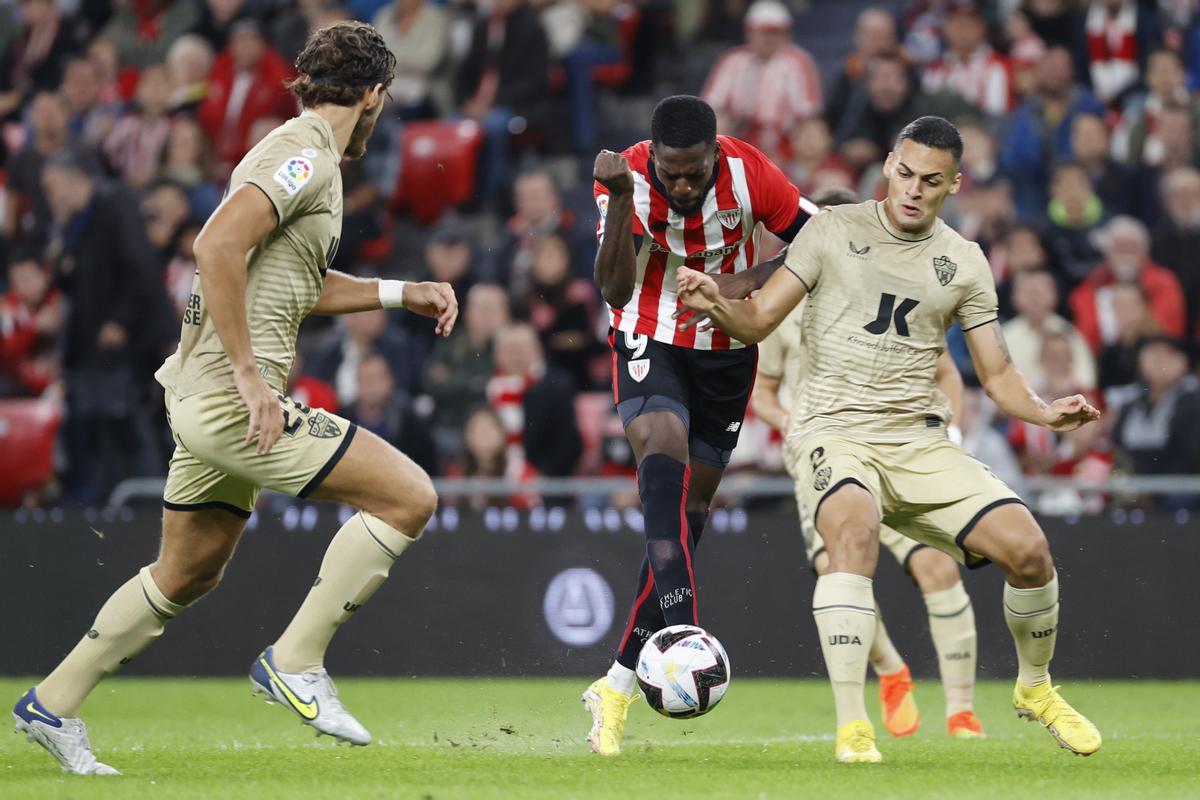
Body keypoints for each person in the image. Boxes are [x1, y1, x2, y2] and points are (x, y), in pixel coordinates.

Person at [13, 22, 459, 775]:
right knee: (408, 497)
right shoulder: (303, 154)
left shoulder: (301, 153)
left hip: (201, 393)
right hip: (231, 397)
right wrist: (253, 380)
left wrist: (397, 292)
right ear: (376, 93)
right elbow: (215, 245)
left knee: (188, 570)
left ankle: (52, 704)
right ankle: (297, 659)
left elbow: (289, 279)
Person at [678, 116, 1102, 763]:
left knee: (1030, 552)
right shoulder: (829, 230)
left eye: (930, 181)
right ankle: (854, 727)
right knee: (851, 537)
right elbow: (758, 319)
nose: (912, 189)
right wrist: (715, 303)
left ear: (954, 185)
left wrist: (1045, 414)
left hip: (918, 441)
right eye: (904, 173)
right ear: (887, 165)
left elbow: (995, 374)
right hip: (832, 431)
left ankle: (1035, 687)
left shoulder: (963, 261)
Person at [581, 95, 817, 756]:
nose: (681, 185)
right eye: (669, 172)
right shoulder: (624, 173)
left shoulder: (752, 174)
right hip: (649, 330)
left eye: (693, 173)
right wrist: (624, 200)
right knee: (661, 445)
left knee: (690, 511)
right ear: (652, 156)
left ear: (715, 155)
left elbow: (816, 239)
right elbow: (613, 289)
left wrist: (751, 280)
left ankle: (618, 680)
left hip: (728, 349)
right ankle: (684, 632)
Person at [752, 185, 985, 740]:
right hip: (823, 450)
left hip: (897, 444)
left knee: (937, 566)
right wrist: (792, 423)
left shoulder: (890, 288)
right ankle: (891, 671)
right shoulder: (781, 304)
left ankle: (961, 712)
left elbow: (942, 369)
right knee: (839, 570)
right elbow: (761, 387)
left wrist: (945, 430)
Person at [701, 0, 823, 162]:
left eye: (775, 33)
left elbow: (808, 115)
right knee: (715, 125)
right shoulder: (732, 61)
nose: (768, 39)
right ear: (749, 32)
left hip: (785, 145)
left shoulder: (799, 62)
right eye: (763, 32)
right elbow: (712, 106)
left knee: (813, 133)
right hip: (738, 140)